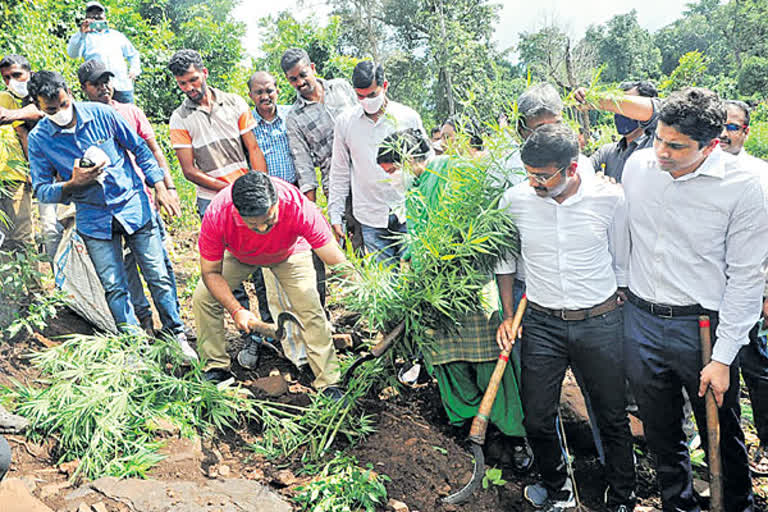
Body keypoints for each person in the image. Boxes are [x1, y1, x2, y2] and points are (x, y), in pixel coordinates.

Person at [622, 87, 768, 511]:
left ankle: (737, 505)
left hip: (703, 326)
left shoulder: (743, 188)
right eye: (659, 139)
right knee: (662, 430)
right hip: (642, 319)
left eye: (676, 146)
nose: (661, 153)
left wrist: (723, 360)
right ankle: (677, 503)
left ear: (711, 145)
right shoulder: (638, 166)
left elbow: (745, 277)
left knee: (720, 430)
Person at [495, 123, 635, 511]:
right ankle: (557, 488)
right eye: (529, 174)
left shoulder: (610, 200)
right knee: (537, 417)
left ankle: (622, 494)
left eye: (543, 175)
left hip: (600, 321)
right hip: (542, 323)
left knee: (610, 415)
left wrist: (618, 307)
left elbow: (621, 260)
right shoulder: (515, 201)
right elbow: (505, 262)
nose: (534, 183)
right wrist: (510, 316)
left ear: (572, 168)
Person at [377, 128, 533, 473]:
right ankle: (468, 429)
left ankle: (513, 436)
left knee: (492, 360)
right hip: (434, 293)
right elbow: (414, 240)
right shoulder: (414, 188)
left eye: (391, 170)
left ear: (407, 160)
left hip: (470, 286)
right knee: (446, 361)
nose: (390, 179)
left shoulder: (453, 171)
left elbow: (482, 223)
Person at [26, 71, 194, 358]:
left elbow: (139, 149)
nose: (60, 113)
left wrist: (160, 186)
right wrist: (72, 184)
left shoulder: (102, 114)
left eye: (63, 104)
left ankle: (175, 334)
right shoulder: (40, 139)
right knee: (115, 287)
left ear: (69, 92)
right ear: (39, 107)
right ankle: (136, 347)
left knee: (158, 275)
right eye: (51, 110)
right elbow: (41, 190)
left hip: (132, 205)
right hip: (94, 219)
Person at [192, 171, 344, 398]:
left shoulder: (296, 205)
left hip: (289, 252)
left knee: (309, 305)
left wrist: (365, 289)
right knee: (203, 298)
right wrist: (237, 310)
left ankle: (328, 381)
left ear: (277, 204)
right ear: (237, 212)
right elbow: (211, 272)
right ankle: (215, 367)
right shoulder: (218, 213)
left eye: (269, 221)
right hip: (241, 254)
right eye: (254, 224)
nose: (263, 229)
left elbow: (335, 259)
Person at [77, 59, 189, 341]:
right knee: (125, 273)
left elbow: (153, 150)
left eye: (107, 81)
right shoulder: (81, 122)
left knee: (158, 268)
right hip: (105, 212)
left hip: (141, 201)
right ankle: (144, 326)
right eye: (97, 84)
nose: (104, 88)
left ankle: (174, 328)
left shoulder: (130, 111)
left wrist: (167, 186)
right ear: (84, 88)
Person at [328, 61, 429, 264]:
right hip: (370, 215)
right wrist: (335, 214)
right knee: (384, 282)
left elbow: (427, 162)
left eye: (372, 95)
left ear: (385, 86)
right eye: (361, 96)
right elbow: (339, 172)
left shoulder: (407, 117)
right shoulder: (345, 123)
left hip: (408, 210)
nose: (366, 100)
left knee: (419, 276)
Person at [717, 99, 768, 476]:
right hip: (709, 294)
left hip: (750, 289)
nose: (724, 133)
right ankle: (721, 449)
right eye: (719, 126)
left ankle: (765, 442)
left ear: (746, 132)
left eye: (732, 127)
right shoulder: (702, 169)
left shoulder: (759, 174)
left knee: (757, 367)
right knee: (720, 375)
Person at [280, 48, 363, 255]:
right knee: (354, 242)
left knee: (379, 233)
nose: (299, 82)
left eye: (302, 75)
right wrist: (312, 207)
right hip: (336, 183)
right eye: (293, 79)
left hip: (366, 171)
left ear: (313, 68)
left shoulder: (341, 88)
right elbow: (304, 166)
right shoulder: (294, 118)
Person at [574, 81, 659, 182]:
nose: (618, 112)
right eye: (616, 107)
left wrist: (598, 100)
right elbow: (577, 174)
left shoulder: (656, 146)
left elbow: (659, 108)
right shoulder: (607, 152)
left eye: (623, 106)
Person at [67, 1, 140, 104]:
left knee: (127, 116)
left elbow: (133, 54)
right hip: (99, 89)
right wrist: (81, 33)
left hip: (122, 85)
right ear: (87, 18)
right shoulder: (83, 37)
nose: (96, 17)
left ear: (105, 17)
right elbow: (72, 54)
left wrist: (134, 70)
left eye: (99, 14)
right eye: (93, 16)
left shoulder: (117, 35)